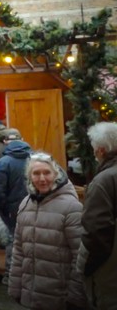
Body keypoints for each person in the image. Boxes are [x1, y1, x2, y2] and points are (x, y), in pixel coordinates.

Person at [8, 152, 84, 310]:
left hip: (60, 296)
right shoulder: (26, 204)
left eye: (47, 172)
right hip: (32, 293)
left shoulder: (71, 207)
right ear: (30, 177)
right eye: (36, 173)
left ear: (56, 174)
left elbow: (80, 256)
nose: (42, 179)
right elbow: (18, 250)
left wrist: (75, 295)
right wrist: (15, 286)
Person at [77, 122, 117, 309]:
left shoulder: (103, 181)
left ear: (100, 150)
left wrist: (87, 266)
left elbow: (96, 231)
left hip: (109, 270)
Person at [0, 128, 31, 283]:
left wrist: (1, 207)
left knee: (13, 240)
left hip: (12, 206)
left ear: (5, 142)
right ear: (22, 139)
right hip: (34, 204)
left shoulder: (3, 162)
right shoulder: (35, 157)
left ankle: (10, 275)